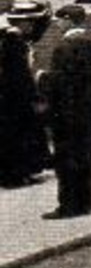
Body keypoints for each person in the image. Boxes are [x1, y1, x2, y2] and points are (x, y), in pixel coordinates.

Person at [36, 5, 91, 219]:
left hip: (67, 114)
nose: (57, 25)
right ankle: (85, 203)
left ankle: (68, 206)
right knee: (85, 156)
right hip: (87, 111)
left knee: (66, 159)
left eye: (59, 20)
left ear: (67, 21)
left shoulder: (64, 49)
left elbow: (61, 83)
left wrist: (41, 77)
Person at [0, 11, 50, 189]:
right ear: (20, 23)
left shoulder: (13, 40)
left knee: (18, 135)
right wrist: (33, 96)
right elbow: (19, 75)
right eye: (29, 22)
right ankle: (13, 177)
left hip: (12, 96)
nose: (31, 26)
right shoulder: (13, 43)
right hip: (15, 97)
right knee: (16, 136)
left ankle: (21, 173)